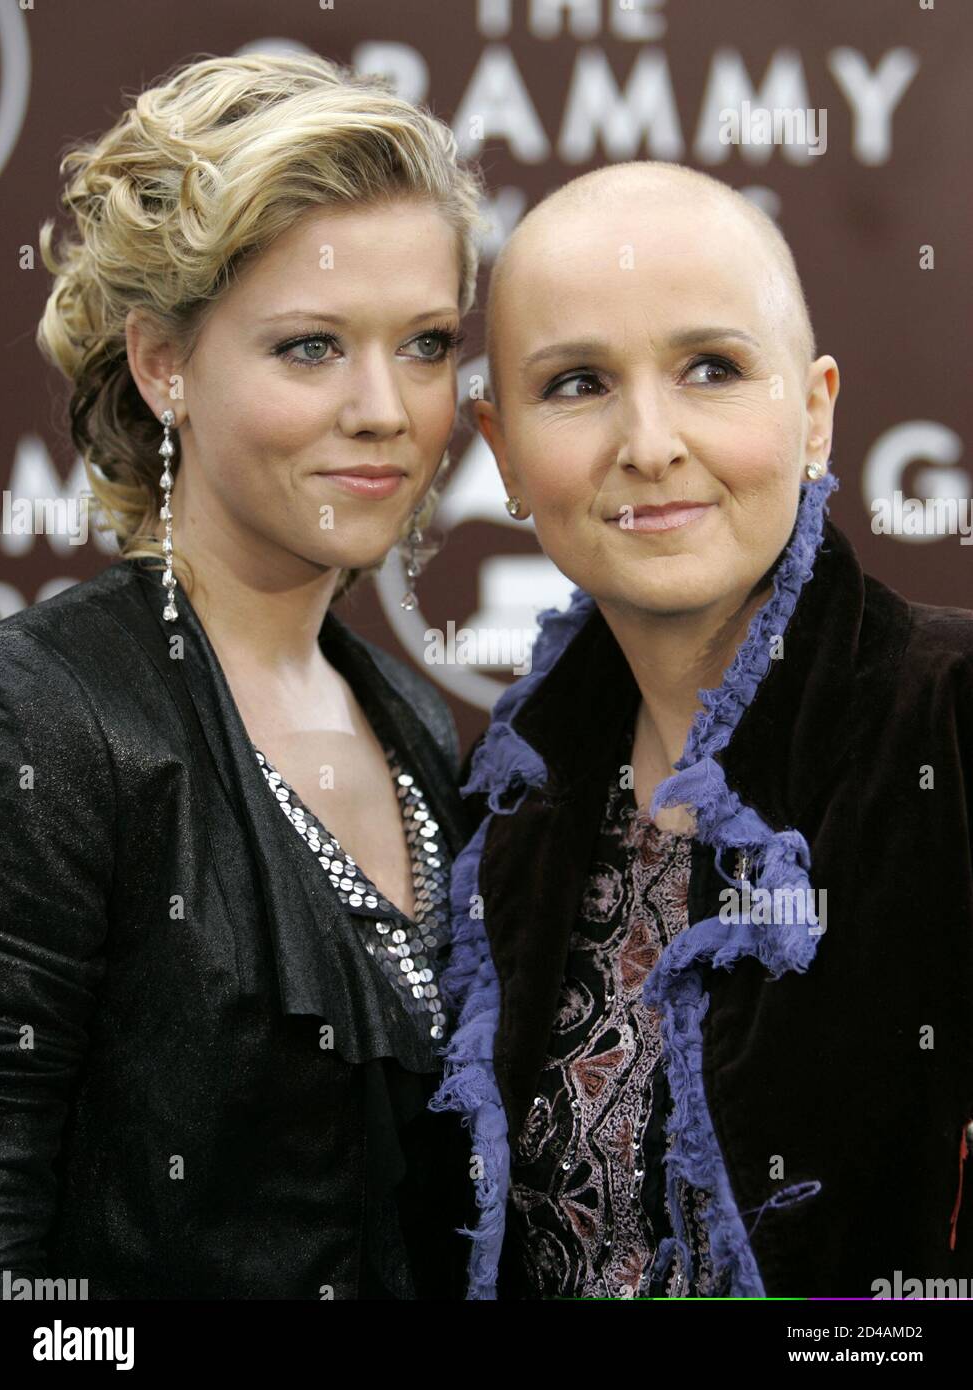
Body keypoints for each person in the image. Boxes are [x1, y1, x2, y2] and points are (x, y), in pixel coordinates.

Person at [0, 51, 487, 1299]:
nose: (385, 407)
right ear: (164, 365)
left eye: (423, 345)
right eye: (312, 347)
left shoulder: (417, 721)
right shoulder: (46, 716)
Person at [431, 160, 973, 1299]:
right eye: (577, 383)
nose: (650, 440)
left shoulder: (955, 719)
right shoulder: (508, 799)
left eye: (712, 369)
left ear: (817, 409)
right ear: (503, 451)